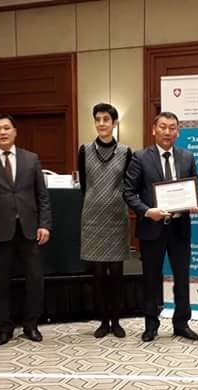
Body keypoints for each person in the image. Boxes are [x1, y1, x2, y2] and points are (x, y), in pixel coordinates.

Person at [0, 113, 52, 346]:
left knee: (35, 280)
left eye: (6, 128)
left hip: (29, 230)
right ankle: (5, 328)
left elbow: (42, 196)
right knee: (0, 283)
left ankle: (31, 325)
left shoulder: (31, 159)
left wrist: (44, 224)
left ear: (15, 131)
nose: (2, 132)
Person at [123, 111, 198, 342]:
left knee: (182, 278)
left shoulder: (187, 157)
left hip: (180, 227)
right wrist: (148, 211)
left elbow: (196, 187)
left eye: (172, 128)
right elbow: (128, 192)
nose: (167, 132)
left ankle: (182, 324)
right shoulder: (140, 157)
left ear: (178, 131)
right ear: (154, 129)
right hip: (152, 227)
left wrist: (196, 201)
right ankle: (151, 325)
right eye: (163, 127)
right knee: (151, 278)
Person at [79, 103, 132, 338]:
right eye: (98, 119)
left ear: (114, 123)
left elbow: (128, 185)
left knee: (117, 274)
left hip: (116, 218)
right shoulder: (84, 150)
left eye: (106, 120)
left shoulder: (126, 152)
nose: (101, 124)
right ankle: (103, 321)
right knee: (98, 275)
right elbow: (84, 185)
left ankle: (116, 321)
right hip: (92, 218)